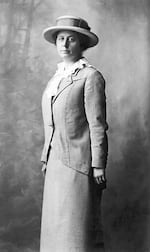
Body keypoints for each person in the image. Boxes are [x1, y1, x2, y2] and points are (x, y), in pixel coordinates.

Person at [40, 15, 108, 252]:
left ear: (82, 44)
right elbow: (52, 121)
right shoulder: (56, 78)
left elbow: (96, 123)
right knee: (55, 227)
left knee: (74, 229)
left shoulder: (90, 76)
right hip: (55, 161)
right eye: (60, 39)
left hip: (78, 162)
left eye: (71, 39)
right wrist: (45, 156)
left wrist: (98, 164)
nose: (65, 44)